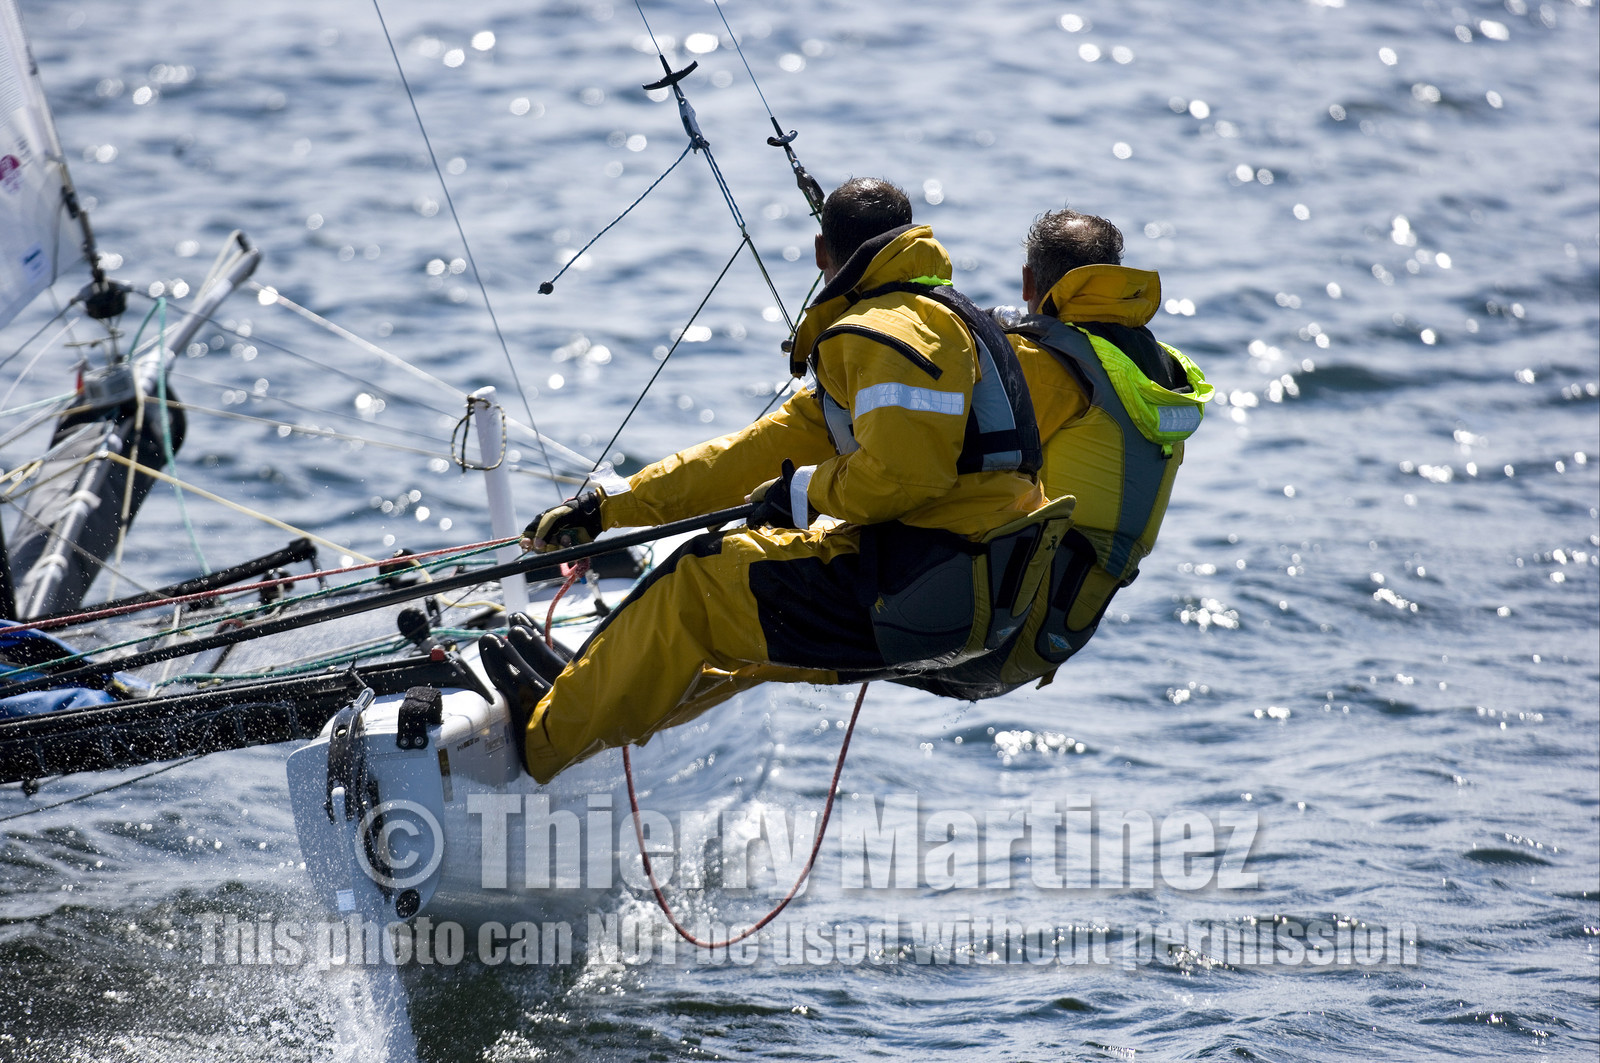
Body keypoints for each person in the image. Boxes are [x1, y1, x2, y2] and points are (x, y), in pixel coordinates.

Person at [495, 178, 1069, 784]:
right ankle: (583, 704)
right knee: (732, 619)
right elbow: (753, 454)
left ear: (824, 250)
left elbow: (903, 477)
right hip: (968, 585)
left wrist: (800, 494)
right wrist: (612, 508)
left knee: (695, 584)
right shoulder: (943, 319)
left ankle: (541, 741)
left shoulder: (889, 334)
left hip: (927, 584)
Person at [895, 208, 1212, 700]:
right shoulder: (1155, 368)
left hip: (988, 626)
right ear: (1113, 278)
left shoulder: (1048, 364)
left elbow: (934, 462)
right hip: (1058, 631)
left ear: (1029, 279)